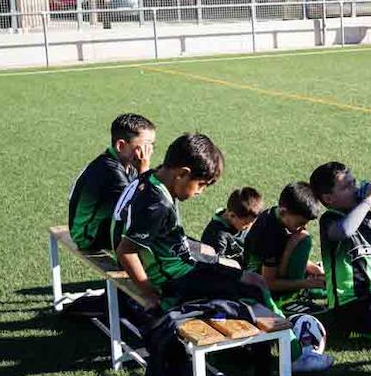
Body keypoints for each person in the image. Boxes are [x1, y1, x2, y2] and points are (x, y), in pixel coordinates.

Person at [111, 133, 270, 310]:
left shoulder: (150, 177)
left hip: (177, 262)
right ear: (182, 173)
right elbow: (125, 251)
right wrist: (148, 292)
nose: (200, 191)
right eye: (201, 184)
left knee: (229, 264)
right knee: (254, 284)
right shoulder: (158, 205)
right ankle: (283, 332)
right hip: (174, 281)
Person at [311, 161, 371, 336]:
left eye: (354, 182)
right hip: (348, 305)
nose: (354, 189)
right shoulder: (329, 219)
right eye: (346, 186)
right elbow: (345, 230)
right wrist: (368, 200)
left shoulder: (365, 216)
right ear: (329, 199)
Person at [67, 112, 156, 253]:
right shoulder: (109, 172)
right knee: (147, 235)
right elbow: (140, 205)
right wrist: (144, 170)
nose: (149, 152)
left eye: (152, 146)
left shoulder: (126, 165)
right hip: (87, 236)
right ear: (121, 146)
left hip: (99, 225)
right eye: (145, 146)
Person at [243, 181, 327, 316]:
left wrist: (315, 270)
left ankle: (310, 287)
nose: (303, 227)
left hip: (273, 271)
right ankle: (288, 299)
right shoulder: (270, 236)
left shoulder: (278, 215)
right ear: (283, 212)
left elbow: (282, 256)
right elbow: (268, 282)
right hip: (258, 288)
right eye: (300, 223)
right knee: (302, 240)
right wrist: (306, 283)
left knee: (300, 238)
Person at [200, 186, 263, 263]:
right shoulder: (217, 236)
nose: (249, 226)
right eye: (246, 223)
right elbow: (217, 266)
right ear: (232, 215)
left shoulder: (239, 221)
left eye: (252, 222)